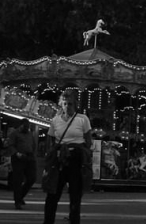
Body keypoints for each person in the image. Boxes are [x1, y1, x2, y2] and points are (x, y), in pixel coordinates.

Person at [42, 89, 92, 224]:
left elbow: (88, 141)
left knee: (75, 195)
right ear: (61, 104)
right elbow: (50, 140)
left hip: (76, 159)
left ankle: (74, 220)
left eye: (70, 104)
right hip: (59, 159)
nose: (67, 106)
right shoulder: (55, 120)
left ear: (75, 104)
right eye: (64, 103)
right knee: (53, 193)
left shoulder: (83, 119)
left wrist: (82, 154)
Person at [7, 118, 37, 210]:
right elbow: (10, 145)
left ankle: (20, 196)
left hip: (29, 157)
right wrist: (16, 153)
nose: (26, 128)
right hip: (18, 158)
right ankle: (17, 202)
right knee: (18, 180)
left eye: (28, 127)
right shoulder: (14, 133)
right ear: (21, 125)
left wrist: (32, 154)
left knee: (32, 178)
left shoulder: (30, 134)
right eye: (25, 127)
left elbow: (34, 145)